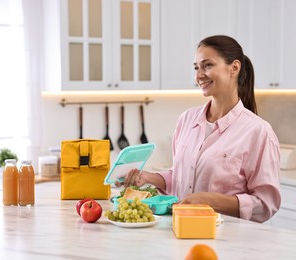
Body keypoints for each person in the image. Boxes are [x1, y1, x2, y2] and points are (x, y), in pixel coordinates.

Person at [118, 35, 281, 223]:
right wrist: (147, 177)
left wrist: (210, 201)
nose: (199, 75)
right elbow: (180, 177)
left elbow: (265, 204)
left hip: (227, 239)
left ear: (234, 68)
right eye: (196, 67)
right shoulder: (187, 120)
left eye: (208, 65)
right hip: (179, 230)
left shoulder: (258, 131)